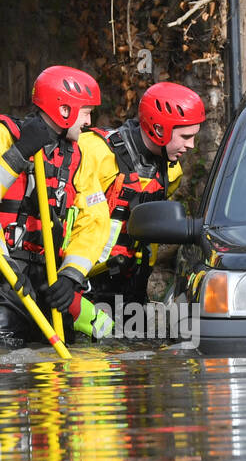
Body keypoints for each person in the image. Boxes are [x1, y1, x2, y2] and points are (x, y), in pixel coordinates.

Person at [0, 65, 113, 345]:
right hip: (2, 276)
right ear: (64, 110)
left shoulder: (78, 156)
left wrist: (71, 277)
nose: (90, 122)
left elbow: (94, 221)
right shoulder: (0, 135)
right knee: (0, 361)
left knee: (90, 340)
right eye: (87, 112)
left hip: (50, 277)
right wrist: (18, 154)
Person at [84, 81, 205, 309]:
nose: (191, 145)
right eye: (185, 136)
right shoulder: (95, 152)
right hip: (84, 282)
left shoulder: (171, 170)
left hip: (132, 284)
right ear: (159, 129)